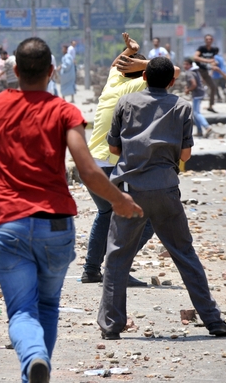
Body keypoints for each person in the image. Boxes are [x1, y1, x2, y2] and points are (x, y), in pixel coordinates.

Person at [0, 37, 142, 383]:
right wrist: (119, 200)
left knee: (22, 311)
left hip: (7, 226)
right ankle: (36, 368)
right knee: (49, 306)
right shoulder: (64, 111)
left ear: (14, 70)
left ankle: (34, 358)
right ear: (52, 72)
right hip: (55, 226)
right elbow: (87, 169)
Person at [99, 56, 226, 340]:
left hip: (130, 192)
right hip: (166, 190)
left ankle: (112, 326)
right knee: (184, 254)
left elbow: (113, 147)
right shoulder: (183, 107)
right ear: (172, 82)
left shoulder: (126, 103)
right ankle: (213, 321)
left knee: (117, 258)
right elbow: (185, 155)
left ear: (143, 78)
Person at [83, 33, 155, 287]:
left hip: (91, 164)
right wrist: (144, 64)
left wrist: (129, 51)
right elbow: (172, 71)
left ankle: (92, 270)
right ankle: (118, 269)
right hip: (111, 165)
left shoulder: (113, 82)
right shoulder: (136, 87)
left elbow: (116, 65)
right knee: (146, 219)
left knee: (105, 213)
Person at [183, 58, 213, 138]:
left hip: (197, 94)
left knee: (196, 113)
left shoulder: (190, 73)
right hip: (200, 93)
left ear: (191, 65)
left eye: (187, 64)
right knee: (195, 113)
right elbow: (201, 81)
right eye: (184, 64)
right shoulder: (196, 71)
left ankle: (207, 127)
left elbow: (194, 84)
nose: (185, 66)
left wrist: (188, 90)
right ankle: (199, 131)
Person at [193, 34, 219, 113]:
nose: (209, 41)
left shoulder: (213, 50)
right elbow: (195, 57)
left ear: (212, 40)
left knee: (213, 87)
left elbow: (213, 61)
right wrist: (207, 61)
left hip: (206, 71)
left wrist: (214, 65)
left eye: (210, 39)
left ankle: (210, 106)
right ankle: (196, 107)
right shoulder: (201, 48)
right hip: (198, 71)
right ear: (205, 40)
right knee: (198, 88)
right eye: (207, 39)